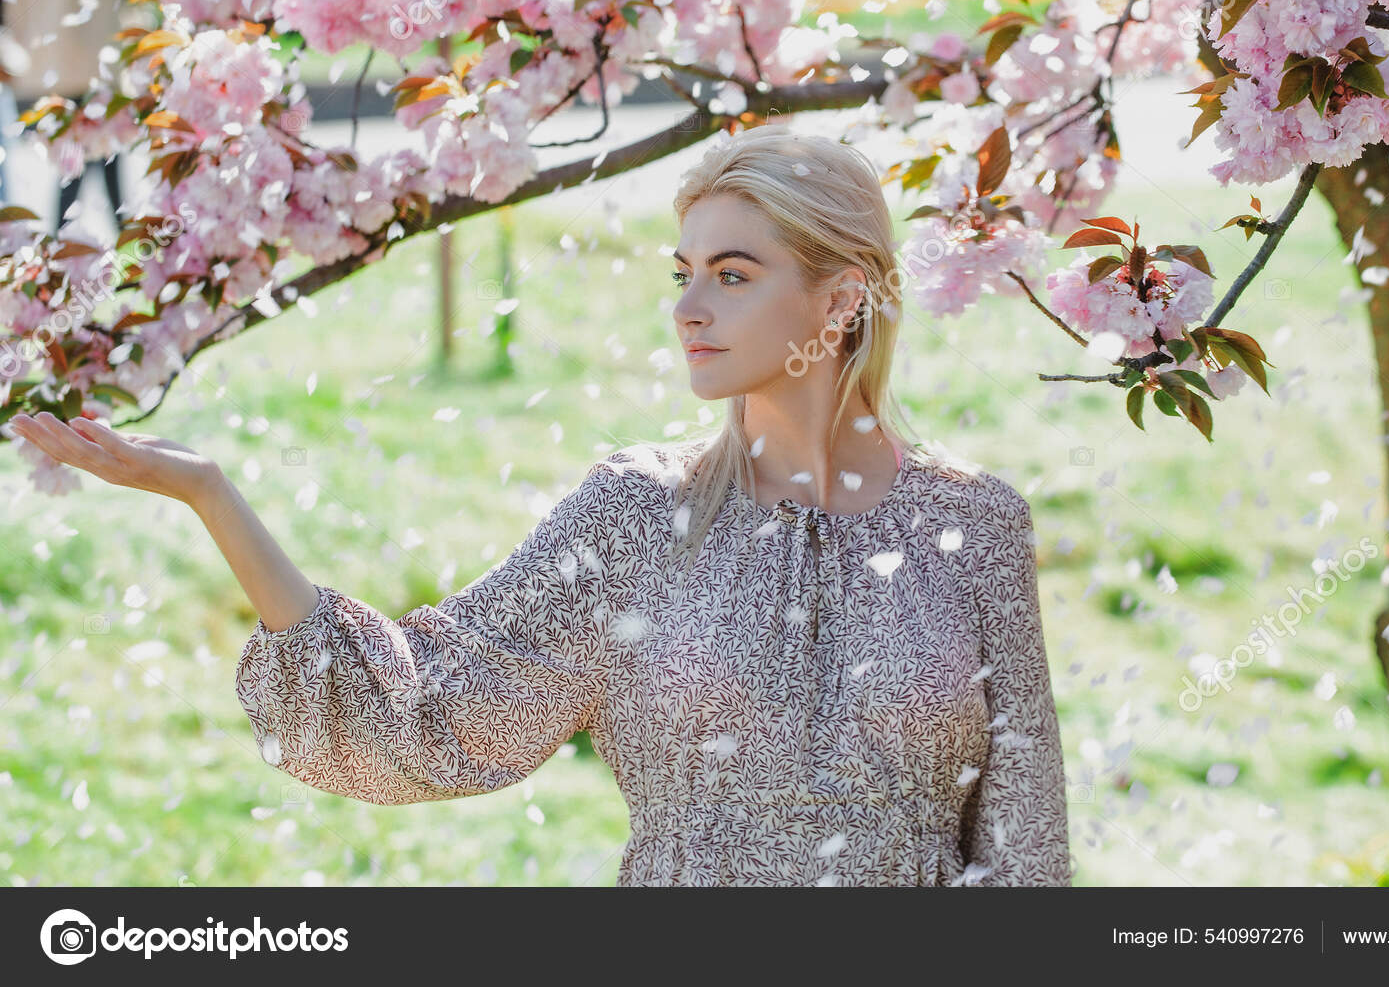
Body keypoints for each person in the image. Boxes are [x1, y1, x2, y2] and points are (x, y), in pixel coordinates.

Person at [3, 125, 1076, 887]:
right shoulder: (635, 521)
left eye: (733, 275)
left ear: (841, 297)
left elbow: (1026, 852)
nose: (687, 309)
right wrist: (209, 495)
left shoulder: (976, 529)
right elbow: (420, 722)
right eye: (683, 271)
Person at [4, 0, 176, 230]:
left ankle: (83, 249)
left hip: (47, 40)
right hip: (100, 33)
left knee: (83, 152)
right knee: (96, 147)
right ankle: (106, 248)